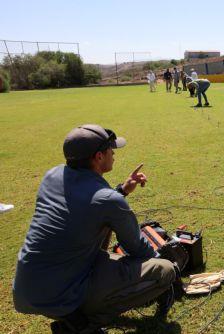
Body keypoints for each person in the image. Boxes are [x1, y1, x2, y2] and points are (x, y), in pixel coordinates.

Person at [12, 124, 177, 333]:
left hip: (27, 290)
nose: (114, 153)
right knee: (164, 271)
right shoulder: (108, 200)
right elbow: (138, 248)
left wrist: (121, 191)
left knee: (103, 229)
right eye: (111, 150)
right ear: (99, 157)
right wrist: (168, 264)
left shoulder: (52, 175)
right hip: (62, 294)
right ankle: (82, 324)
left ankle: (79, 313)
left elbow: (86, 207)